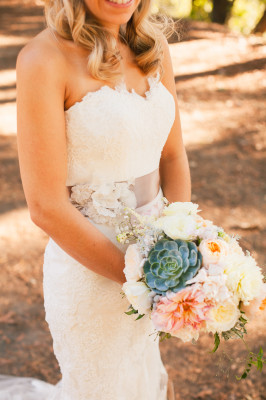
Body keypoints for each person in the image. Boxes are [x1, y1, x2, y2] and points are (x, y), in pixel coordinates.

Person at [0, 0, 190, 398]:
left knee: (146, 380)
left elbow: (172, 155)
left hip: (158, 256)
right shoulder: (43, 59)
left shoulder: (153, 47)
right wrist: (142, 280)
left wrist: (182, 246)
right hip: (91, 272)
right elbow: (46, 207)